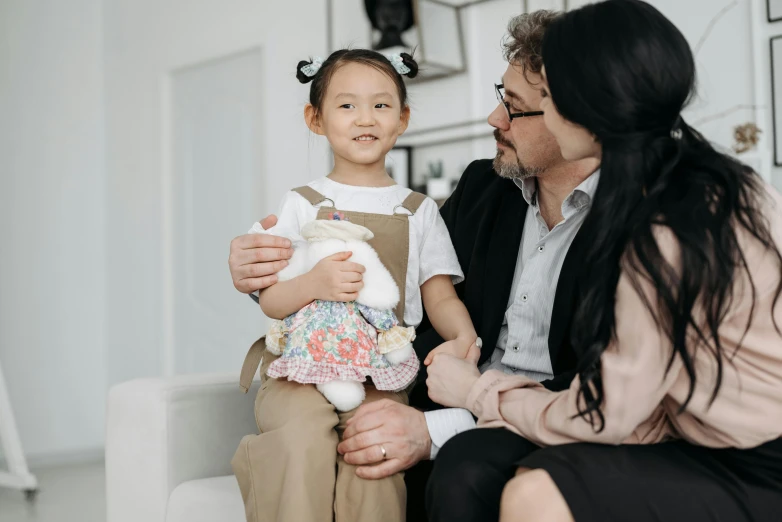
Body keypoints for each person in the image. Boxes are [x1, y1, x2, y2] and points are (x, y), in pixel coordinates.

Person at [228, 10, 603, 520]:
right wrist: (258, 271)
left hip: (495, 406)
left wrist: (461, 364)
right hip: (334, 366)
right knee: (315, 443)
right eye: (500, 96)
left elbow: (437, 291)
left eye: (513, 108)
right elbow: (317, 273)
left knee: (404, 469)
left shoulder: (648, 224)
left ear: (576, 117)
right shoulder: (483, 187)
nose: (493, 119)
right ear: (317, 118)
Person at [426, 1, 782, 521]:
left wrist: (480, 393)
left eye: (547, 97)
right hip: (677, 429)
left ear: (585, 102)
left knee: (533, 495)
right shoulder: (705, 181)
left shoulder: (665, 221)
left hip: (750, 457)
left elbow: (605, 413)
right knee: (520, 476)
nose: (539, 111)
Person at [231, 48, 480, 522]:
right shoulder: (302, 203)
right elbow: (273, 302)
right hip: (302, 366)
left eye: (382, 105)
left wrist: (463, 337)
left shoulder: (419, 209)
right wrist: (315, 282)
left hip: (380, 372)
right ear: (315, 118)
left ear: (402, 119)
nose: (365, 118)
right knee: (298, 441)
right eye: (347, 105)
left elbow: (440, 294)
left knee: (375, 460)